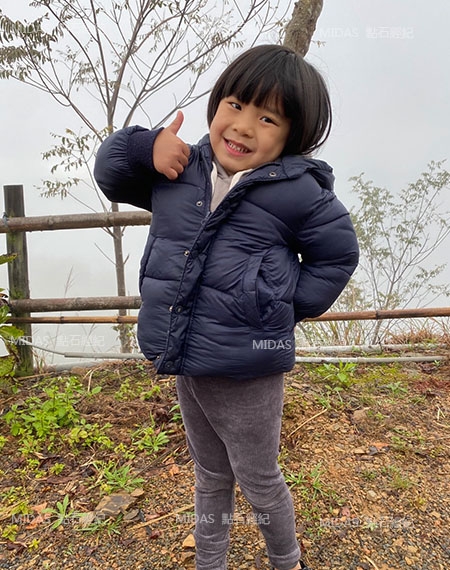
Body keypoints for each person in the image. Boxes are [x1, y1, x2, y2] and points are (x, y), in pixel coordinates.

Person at [94, 44, 359, 570]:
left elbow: (337, 255)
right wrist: (145, 146)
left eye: (267, 118)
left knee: (259, 478)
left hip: (249, 366)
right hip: (186, 355)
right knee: (210, 474)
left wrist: (279, 306)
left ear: (292, 135)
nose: (243, 126)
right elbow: (111, 173)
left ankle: (287, 560)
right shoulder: (181, 168)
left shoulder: (298, 192)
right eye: (235, 105)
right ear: (216, 105)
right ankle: (209, 562)